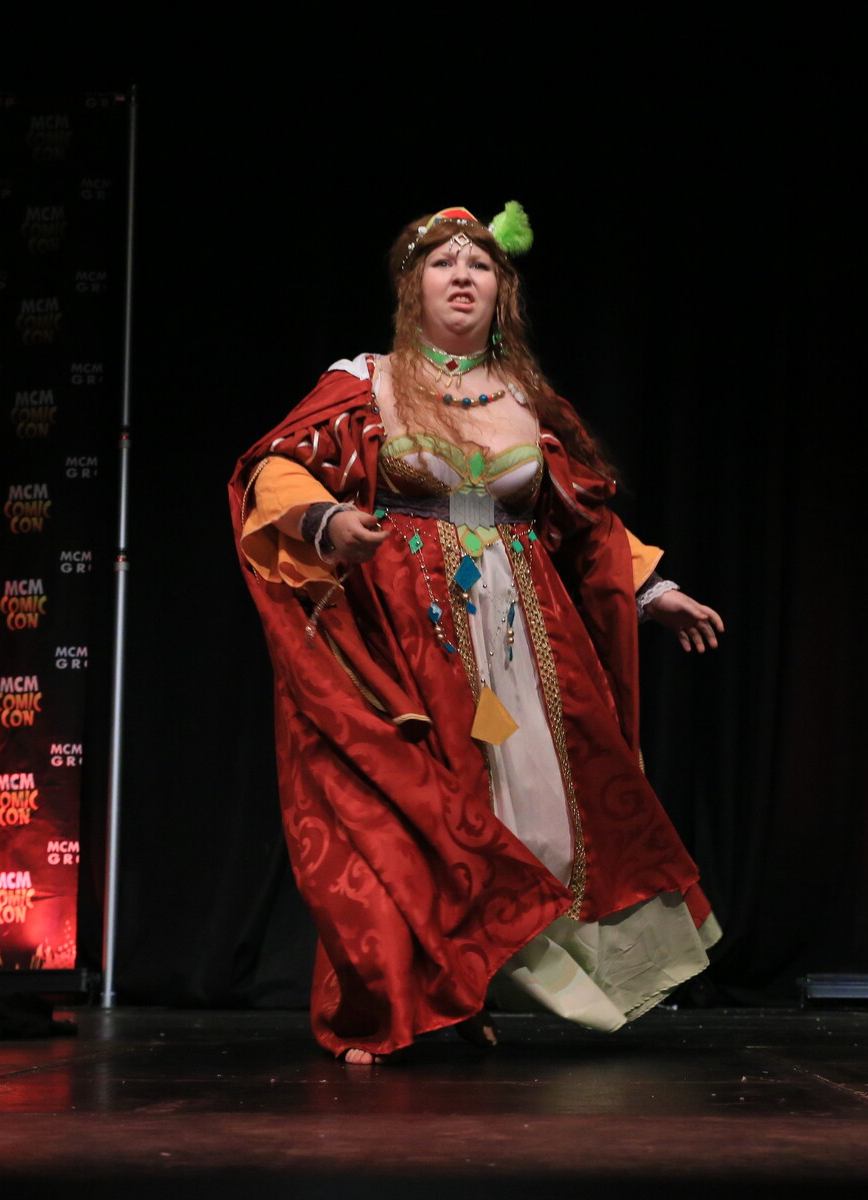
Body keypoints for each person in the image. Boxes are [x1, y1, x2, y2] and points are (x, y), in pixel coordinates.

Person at [227, 204, 725, 1063]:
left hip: (522, 635)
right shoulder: (367, 381)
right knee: (417, 814)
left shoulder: (527, 398)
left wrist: (654, 588)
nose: (462, 276)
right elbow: (273, 467)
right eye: (442, 262)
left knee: (529, 817)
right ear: (410, 286)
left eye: (480, 265)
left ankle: (466, 991)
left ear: (504, 290)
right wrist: (325, 521)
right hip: (406, 630)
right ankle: (387, 1006)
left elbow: (587, 523)